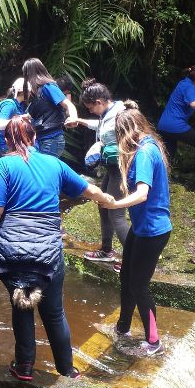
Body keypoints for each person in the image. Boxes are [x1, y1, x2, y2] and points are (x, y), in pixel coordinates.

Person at [0, 115, 112, 380]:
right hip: (47, 251)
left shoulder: (4, 164)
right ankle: (67, 370)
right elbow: (90, 191)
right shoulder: (54, 163)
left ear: (7, 140)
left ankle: (24, 366)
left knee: (21, 305)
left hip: (12, 250)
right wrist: (108, 198)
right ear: (35, 138)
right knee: (54, 313)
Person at [100, 108, 172, 356]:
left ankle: (154, 342)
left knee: (139, 285)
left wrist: (114, 204)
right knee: (126, 278)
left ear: (125, 132)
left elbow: (142, 194)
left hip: (152, 231)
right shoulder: (149, 145)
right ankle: (123, 328)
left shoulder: (144, 153)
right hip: (142, 228)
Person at [76, 80, 131, 263]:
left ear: (99, 102)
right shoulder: (108, 112)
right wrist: (80, 121)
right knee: (103, 205)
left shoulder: (121, 113)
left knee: (116, 212)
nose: (90, 111)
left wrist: (102, 148)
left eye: (91, 107)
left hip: (121, 168)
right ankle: (107, 251)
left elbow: (131, 142)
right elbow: (101, 127)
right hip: (112, 168)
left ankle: (133, 259)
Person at [22, 58, 79, 157]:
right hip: (41, 140)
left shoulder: (48, 87)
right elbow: (40, 114)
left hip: (51, 139)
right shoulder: (37, 94)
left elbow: (68, 104)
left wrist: (73, 118)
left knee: (46, 171)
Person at [0, 78, 27, 161]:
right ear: (24, 91)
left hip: (8, 146)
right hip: (1, 148)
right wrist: (22, 118)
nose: (31, 93)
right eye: (29, 90)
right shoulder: (10, 105)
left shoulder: (20, 105)